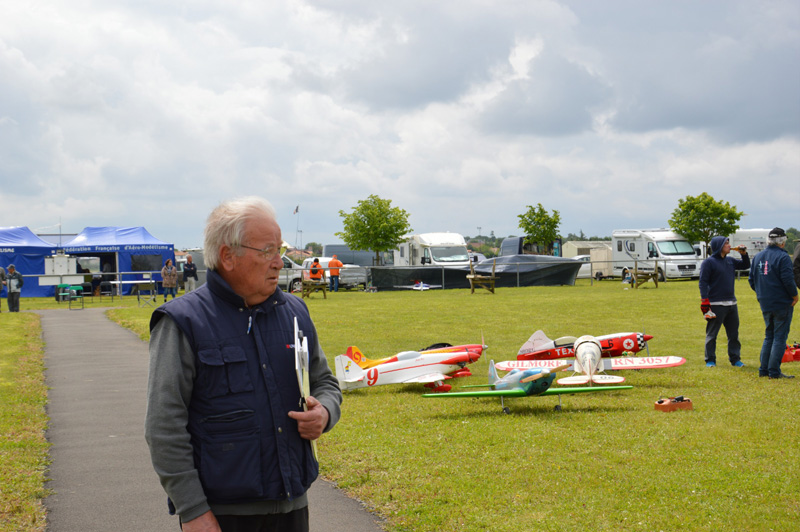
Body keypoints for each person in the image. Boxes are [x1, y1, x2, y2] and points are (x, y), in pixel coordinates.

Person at [145, 197, 342, 532]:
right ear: (227, 256)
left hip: (293, 507)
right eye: (267, 250)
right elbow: (164, 426)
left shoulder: (296, 313)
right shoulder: (183, 322)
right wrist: (192, 510)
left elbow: (325, 382)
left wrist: (324, 411)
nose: (279, 263)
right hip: (222, 516)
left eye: (279, 250)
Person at [749, 227, 799, 379]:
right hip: (781, 301)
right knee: (779, 337)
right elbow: (788, 280)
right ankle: (774, 371)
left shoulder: (758, 256)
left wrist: (761, 293)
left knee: (769, 336)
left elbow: (752, 280)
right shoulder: (783, 257)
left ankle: (763, 370)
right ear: (782, 242)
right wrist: (795, 295)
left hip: (765, 301)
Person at [698, 236, 750, 367]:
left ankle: (735, 359)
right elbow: (702, 282)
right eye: (726, 243)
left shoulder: (730, 261)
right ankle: (710, 360)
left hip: (732, 303)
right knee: (712, 334)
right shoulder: (708, 263)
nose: (729, 245)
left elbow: (745, 265)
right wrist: (705, 300)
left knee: (733, 335)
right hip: (716, 304)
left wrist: (744, 254)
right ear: (719, 246)